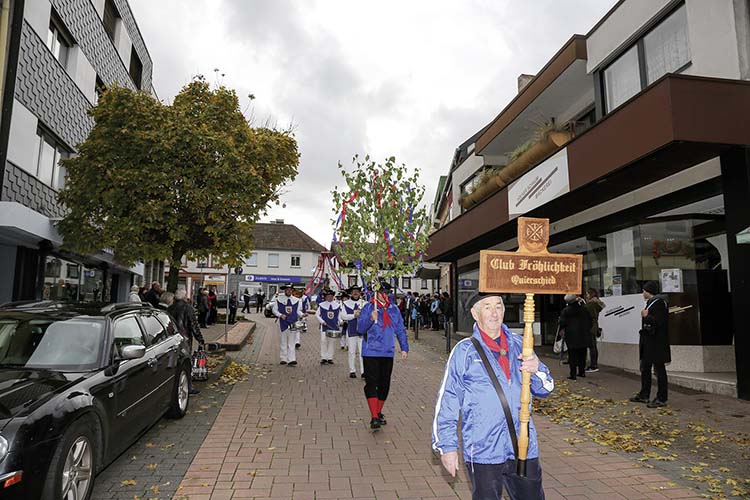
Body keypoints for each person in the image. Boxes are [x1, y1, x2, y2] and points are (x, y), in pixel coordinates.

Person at [432, 294, 553, 500]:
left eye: (498, 306)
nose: (494, 313)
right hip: (483, 448)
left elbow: (546, 388)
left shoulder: (521, 344)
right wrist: (447, 446)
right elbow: (448, 400)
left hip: (522, 444)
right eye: (487, 307)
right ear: (475, 313)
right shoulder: (464, 351)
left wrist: (537, 370)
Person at [357, 281, 409, 430]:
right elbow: (360, 329)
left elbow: (400, 329)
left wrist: (404, 348)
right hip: (371, 351)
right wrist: (370, 318)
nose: (384, 295)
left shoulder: (394, 309)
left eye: (387, 292)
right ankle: (374, 416)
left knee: (384, 384)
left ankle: (378, 412)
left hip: (387, 352)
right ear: (376, 293)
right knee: (371, 383)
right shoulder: (368, 307)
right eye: (382, 292)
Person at [630, 281, 670, 408]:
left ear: (649, 291)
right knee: (645, 367)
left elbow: (659, 321)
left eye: (644, 291)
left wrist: (647, 316)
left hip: (656, 343)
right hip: (648, 342)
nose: (643, 293)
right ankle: (644, 394)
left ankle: (662, 398)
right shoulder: (651, 302)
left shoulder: (659, 303)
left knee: (659, 369)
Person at [166, 289, 205, 395]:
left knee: (173, 362)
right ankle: (188, 386)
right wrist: (200, 339)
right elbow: (193, 325)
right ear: (184, 297)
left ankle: (173, 385)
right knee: (185, 362)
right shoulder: (188, 308)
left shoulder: (169, 308)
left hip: (172, 339)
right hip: (185, 338)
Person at [559, 294, 592, 380]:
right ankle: (582, 372)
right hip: (583, 334)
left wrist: (562, 329)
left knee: (572, 355)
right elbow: (590, 320)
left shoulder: (566, 310)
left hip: (571, 335)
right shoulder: (584, 309)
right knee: (582, 354)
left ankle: (573, 374)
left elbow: (562, 322)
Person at [272, 284, 302, 366]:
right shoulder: (279, 299)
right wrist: (280, 315)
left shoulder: (297, 300)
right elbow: (274, 310)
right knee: (283, 341)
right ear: (285, 290)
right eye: (287, 290)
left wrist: (303, 315)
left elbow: (298, 311)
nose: (289, 291)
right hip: (283, 323)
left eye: (290, 290)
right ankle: (283, 358)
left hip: (293, 322)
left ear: (292, 290)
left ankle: (291, 359)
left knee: (292, 342)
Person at [340, 286, 366, 379]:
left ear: (360, 293)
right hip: (351, 330)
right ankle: (352, 370)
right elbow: (343, 316)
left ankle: (363, 372)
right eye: (353, 291)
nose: (355, 293)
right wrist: (354, 316)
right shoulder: (346, 303)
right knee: (351, 351)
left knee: (363, 352)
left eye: (357, 291)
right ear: (351, 293)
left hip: (362, 331)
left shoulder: (364, 303)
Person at [316, 289, 341, 365]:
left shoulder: (337, 305)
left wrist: (341, 321)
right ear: (326, 297)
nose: (330, 297)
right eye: (328, 296)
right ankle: (323, 357)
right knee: (323, 341)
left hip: (333, 326)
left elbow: (339, 315)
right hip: (324, 326)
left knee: (332, 342)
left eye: (331, 296)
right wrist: (322, 321)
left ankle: (330, 357)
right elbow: (317, 314)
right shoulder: (321, 305)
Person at [584, 289, 605, 373]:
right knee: (593, 346)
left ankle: (593, 365)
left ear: (591, 294)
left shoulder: (591, 304)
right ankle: (593, 364)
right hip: (594, 326)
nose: (586, 296)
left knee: (592, 346)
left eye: (587, 294)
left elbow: (587, 314)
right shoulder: (596, 303)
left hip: (590, 326)